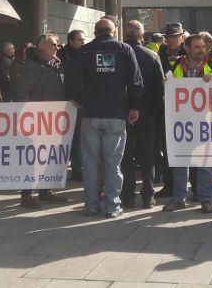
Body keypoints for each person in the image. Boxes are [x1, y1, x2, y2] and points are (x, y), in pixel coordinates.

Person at [68, 19, 143, 217]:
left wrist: (77, 98)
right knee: (113, 163)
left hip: (90, 113)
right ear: (113, 31)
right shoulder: (125, 50)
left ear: (95, 32)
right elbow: (136, 81)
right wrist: (134, 106)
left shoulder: (84, 51)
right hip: (115, 113)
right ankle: (112, 206)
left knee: (90, 163)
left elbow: (74, 78)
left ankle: (91, 205)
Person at [8, 33, 73, 208]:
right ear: (42, 46)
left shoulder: (55, 65)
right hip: (37, 120)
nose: (57, 47)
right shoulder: (32, 66)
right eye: (53, 44)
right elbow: (21, 92)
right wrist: (29, 115)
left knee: (49, 156)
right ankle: (26, 194)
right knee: (31, 158)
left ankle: (45, 191)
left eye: (58, 44)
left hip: (53, 120)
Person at [161, 33, 212, 213]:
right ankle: (179, 198)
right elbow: (166, 85)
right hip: (181, 122)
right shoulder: (174, 65)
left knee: (204, 164)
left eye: (203, 47)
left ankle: (205, 199)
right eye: (197, 47)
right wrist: (166, 83)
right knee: (181, 162)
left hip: (205, 122)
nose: (201, 51)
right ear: (187, 49)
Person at [119, 21, 164, 209]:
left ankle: (127, 195)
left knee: (125, 155)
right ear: (142, 36)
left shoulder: (117, 54)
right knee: (147, 155)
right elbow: (160, 87)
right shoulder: (151, 55)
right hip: (147, 112)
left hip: (121, 112)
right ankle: (148, 195)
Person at [154, 22, 187, 197]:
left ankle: (192, 187)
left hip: (186, 109)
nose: (172, 40)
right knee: (167, 149)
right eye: (169, 37)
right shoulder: (160, 54)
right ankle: (169, 185)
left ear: (182, 37)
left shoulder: (188, 53)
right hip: (165, 108)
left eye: (175, 36)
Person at [57, 30, 86, 180]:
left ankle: (77, 169)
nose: (83, 42)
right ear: (71, 41)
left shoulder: (83, 54)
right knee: (66, 138)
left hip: (78, 102)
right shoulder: (61, 57)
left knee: (78, 138)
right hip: (65, 102)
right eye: (80, 40)